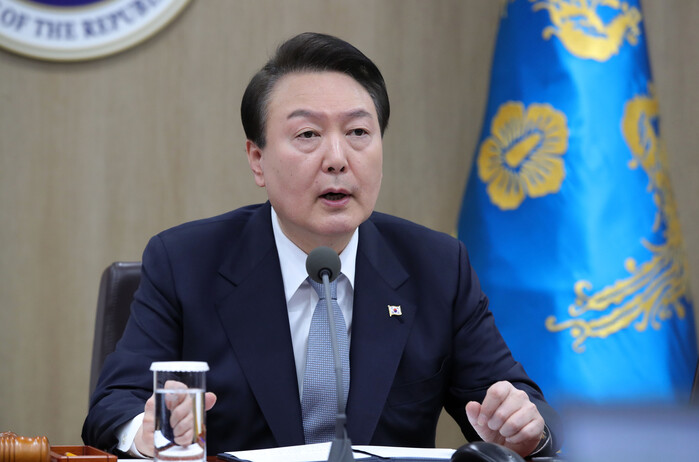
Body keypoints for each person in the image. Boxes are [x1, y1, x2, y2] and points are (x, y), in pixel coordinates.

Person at [82, 32, 561, 458]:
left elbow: (521, 407)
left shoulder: (437, 266)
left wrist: (525, 428)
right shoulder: (186, 262)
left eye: (358, 133)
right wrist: (147, 432)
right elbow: (113, 404)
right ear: (257, 159)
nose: (337, 158)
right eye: (308, 134)